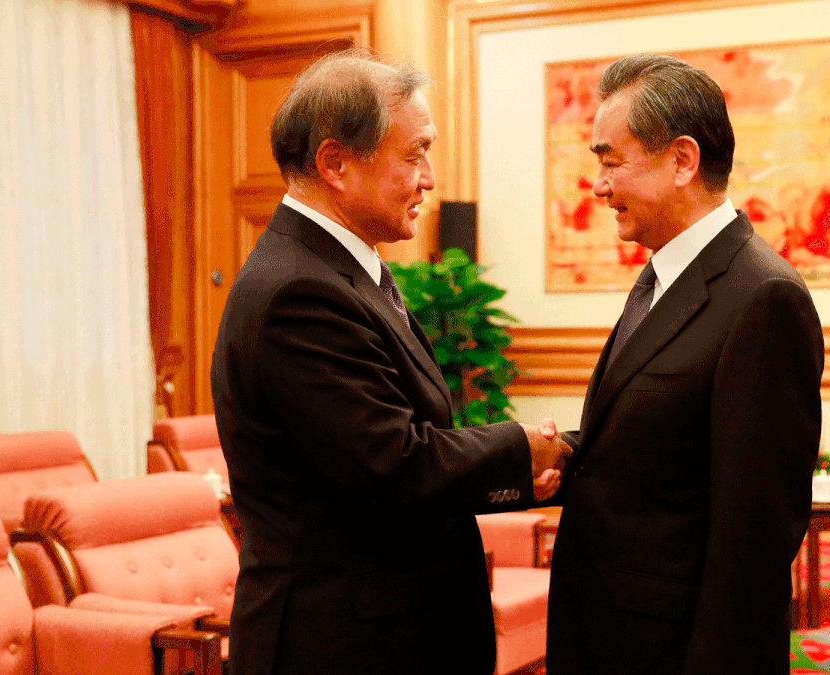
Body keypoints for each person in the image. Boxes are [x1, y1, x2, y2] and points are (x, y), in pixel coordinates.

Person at [210, 51, 571, 675]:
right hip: (339, 646)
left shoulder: (341, 270)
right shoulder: (301, 291)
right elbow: (394, 465)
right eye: (415, 153)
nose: (429, 177)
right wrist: (522, 448)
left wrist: (516, 467)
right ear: (336, 163)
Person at [545, 54, 825, 675]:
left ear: (682, 160)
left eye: (610, 161)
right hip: (609, 633)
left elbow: (753, 539)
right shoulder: (662, 275)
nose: (598, 186)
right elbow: (651, 448)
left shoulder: (762, 296)